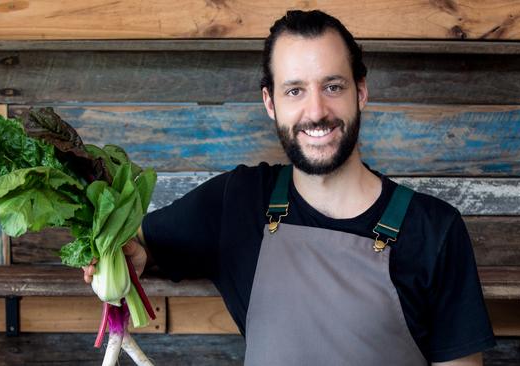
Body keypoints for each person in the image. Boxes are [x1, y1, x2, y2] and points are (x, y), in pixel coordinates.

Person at [84, 10, 495, 365]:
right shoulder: (239, 201)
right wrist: (128, 255)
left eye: (333, 86)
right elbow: (138, 243)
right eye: (295, 90)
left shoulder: (435, 230)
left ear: (361, 92)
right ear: (270, 102)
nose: (316, 111)